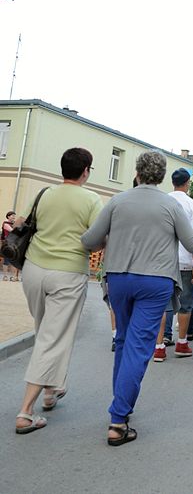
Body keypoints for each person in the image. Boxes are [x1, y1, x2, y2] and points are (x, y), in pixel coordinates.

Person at [81, 150, 193, 446]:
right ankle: (118, 418)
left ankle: (122, 407)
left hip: (119, 277)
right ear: (160, 176)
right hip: (155, 280)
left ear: (137, 171)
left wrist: (113, 238)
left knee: (123, 340)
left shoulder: (118, 201)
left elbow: (90, 240)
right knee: (139, 345)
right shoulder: (170, 205)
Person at [15, 148, 102, 435]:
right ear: (86, 170)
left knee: (45, 332)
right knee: (53, 338)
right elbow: (97, 241)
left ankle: (51, 390)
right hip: (67, 273)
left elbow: (19, 223)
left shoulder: (45, 193)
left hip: (33, 270)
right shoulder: (91, 200)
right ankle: (26, 411)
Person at [152, 167, 193, 361]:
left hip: (161, 261)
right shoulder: (191, 205)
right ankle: (182, 342)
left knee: (161, 304)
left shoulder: (161, 201)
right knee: (185, 304)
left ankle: (159, 346)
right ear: (187, 183)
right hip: (184, 261)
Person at [2, 210, 19, 280]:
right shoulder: (5, 224)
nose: (14, 217)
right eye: (12, 216)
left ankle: (12, 276)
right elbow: (12, 231)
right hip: (7, 243)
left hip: (14, 243)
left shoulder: (14, 224)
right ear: (8, 216)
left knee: (13, 260)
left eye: (14, 216)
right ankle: (5, 276)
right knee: (6, 260)